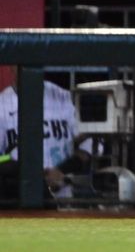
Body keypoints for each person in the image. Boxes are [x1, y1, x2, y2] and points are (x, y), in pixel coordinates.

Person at [0, 68, 89, 200]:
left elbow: (89, 145)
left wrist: (61, 171)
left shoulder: (62, 96)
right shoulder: (2, 105)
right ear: (12, 68)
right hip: (20, 198)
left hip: (64, 197)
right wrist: (31, 172)